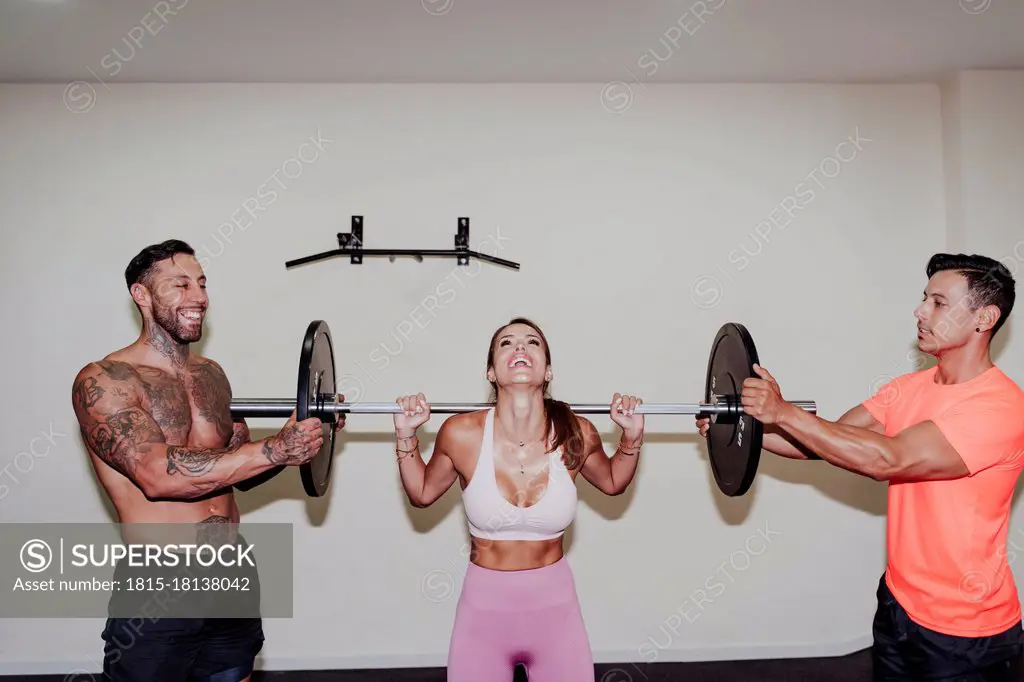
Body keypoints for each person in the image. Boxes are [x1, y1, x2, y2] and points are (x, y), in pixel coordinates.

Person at [698, 253, 1024, 681]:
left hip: (965, 632)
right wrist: (742, 424)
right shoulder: (909, 387)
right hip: (898, 603)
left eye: (939, 303)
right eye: (924, 298)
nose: (920, 311)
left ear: (984, 317)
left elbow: (889, 458)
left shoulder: (1001, 409)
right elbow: (827, 442)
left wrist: (783, 412)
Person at [71, 239, 344, 682]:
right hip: (160, 579)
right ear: (141, 295)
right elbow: (157, 476)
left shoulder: (210, 375)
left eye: (201, 284)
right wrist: (275, 448)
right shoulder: (104, 379)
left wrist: (304, 431)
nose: (198, 296)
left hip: (230, 569)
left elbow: (241, 468)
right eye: (180, 285)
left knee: (233, 675)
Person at [392, 317, 644, 682]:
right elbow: (422, 493)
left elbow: (612, 481)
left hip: (556, 616)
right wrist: (405, 437)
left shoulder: (576, 431)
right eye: (507, 343)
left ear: (548, 370)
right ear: (491, 372)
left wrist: (631, 439)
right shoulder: (461, 433)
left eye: (532, 342)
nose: (520, 348)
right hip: (483, 619)